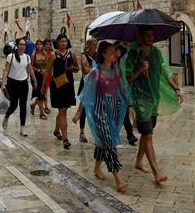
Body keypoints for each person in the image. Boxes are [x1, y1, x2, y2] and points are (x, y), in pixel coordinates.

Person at [119, 25, 183, 184]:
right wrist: (140, 69)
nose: (151, 38)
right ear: (140, 37)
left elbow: (165, 70)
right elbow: (128, 79)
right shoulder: (132, 55)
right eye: (147, 35)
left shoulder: (156, 53)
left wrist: (176, 88)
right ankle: (157, 173)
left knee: (147, 132)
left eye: (151, 35)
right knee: (148, 135)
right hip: (140, 98)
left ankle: (139, 162)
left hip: (154, 96)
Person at [72, 41, 132, 192]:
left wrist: (130, 106)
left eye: (114, 51)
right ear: (104, 53)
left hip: (113, 109)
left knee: (104, 140)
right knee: (109, 140)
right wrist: (79, 112)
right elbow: (86, 93)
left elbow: (123, 89)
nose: (114, 53)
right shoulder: (95, 72)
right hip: (100, 109)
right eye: (111, 51)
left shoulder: (117, 71)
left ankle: (97, 168)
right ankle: (118, 179)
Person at [0, 37, 36, 136]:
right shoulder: (10, 56)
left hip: (23, 83)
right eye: (20, 44)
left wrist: (35, 80)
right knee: (14, 105)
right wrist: (3, 84)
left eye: (24, 45)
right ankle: (6, 116)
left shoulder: (27, 57)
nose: (22, 46)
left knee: (23, 106)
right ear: (17, 45)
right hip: (12, 83)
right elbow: (6, 71)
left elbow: (30, 69)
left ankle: (22, 128)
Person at [48, 33, 78, 149]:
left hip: (68, 84)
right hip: (57, 84)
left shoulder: (72, 54)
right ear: (58, 42)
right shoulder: (53, 55)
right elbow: (48, 71)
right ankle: (65, 139)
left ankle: (56, 130)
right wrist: (42, 87)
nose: (64, 43)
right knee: (62, 111)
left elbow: (77, 69)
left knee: (62, 111)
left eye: (65, 41)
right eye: (61, 41)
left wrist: (73, 68)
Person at [114, 41, 139, 146]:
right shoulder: (106, 67)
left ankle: (129, 134)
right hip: (112, 94)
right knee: (118, 114)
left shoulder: (131, 51)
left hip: (124, 88)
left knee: (123, 113)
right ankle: (127, 135)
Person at [77, 38, 98, 143]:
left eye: (96, 44)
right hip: (86, 84)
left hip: (96, 85)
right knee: (84, 109)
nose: (95, 46)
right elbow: (87, 69)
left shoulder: (98, 55)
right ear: (88, 45)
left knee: (96, 108)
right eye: (94, 44)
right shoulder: (83, 55)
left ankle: (96, 131)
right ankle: (81, 132)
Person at [29, 40, 48, 119]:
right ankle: (41, 113)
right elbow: (30, 66)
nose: (39, 46)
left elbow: (47, 65)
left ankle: (33, 105)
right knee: (38, 94)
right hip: (35, 76)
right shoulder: (33, 55)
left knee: (42, 94)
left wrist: (45, 71)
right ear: (36, 46)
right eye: (38, 44)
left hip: (43, 76)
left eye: (40, 44)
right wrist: (38, 70)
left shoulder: (45, 55)